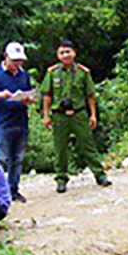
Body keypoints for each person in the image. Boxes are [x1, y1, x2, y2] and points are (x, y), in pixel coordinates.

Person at [41, 39, 111, 193]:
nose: (65, 55)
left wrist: (93, 115)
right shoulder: (52, 73)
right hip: (59, 115)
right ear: (58, 55)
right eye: (62, 52)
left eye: (68, 52)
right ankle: (61, 179)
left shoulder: (82, 72)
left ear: (74, 53)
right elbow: (47, 95)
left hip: (79, 113)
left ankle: (100, 175)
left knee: (87, 145)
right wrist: (45, 116)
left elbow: (90, 95)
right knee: (60, 148)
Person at [0, 42, 34, 204]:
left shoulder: (24, 75)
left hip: (21, 120)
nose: (17, 64)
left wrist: (29, 99)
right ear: (5, 57)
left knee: (18, 158)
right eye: (14, 61)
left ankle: (14, 189)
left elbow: (29, 91)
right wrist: (2, 95)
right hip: (3, 123)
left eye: (20, 61)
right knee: (1, 158)